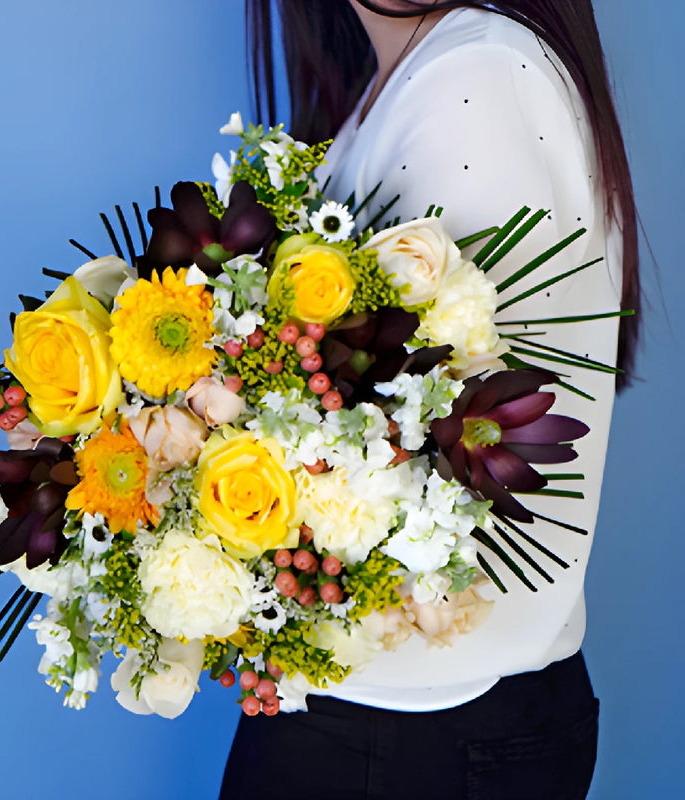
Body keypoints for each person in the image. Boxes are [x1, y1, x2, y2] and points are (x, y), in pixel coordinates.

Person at [220, 2, 639, 798]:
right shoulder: (406, 79)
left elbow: (432, 459)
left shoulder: (473, 78)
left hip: (416, 733)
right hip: (394, 716)